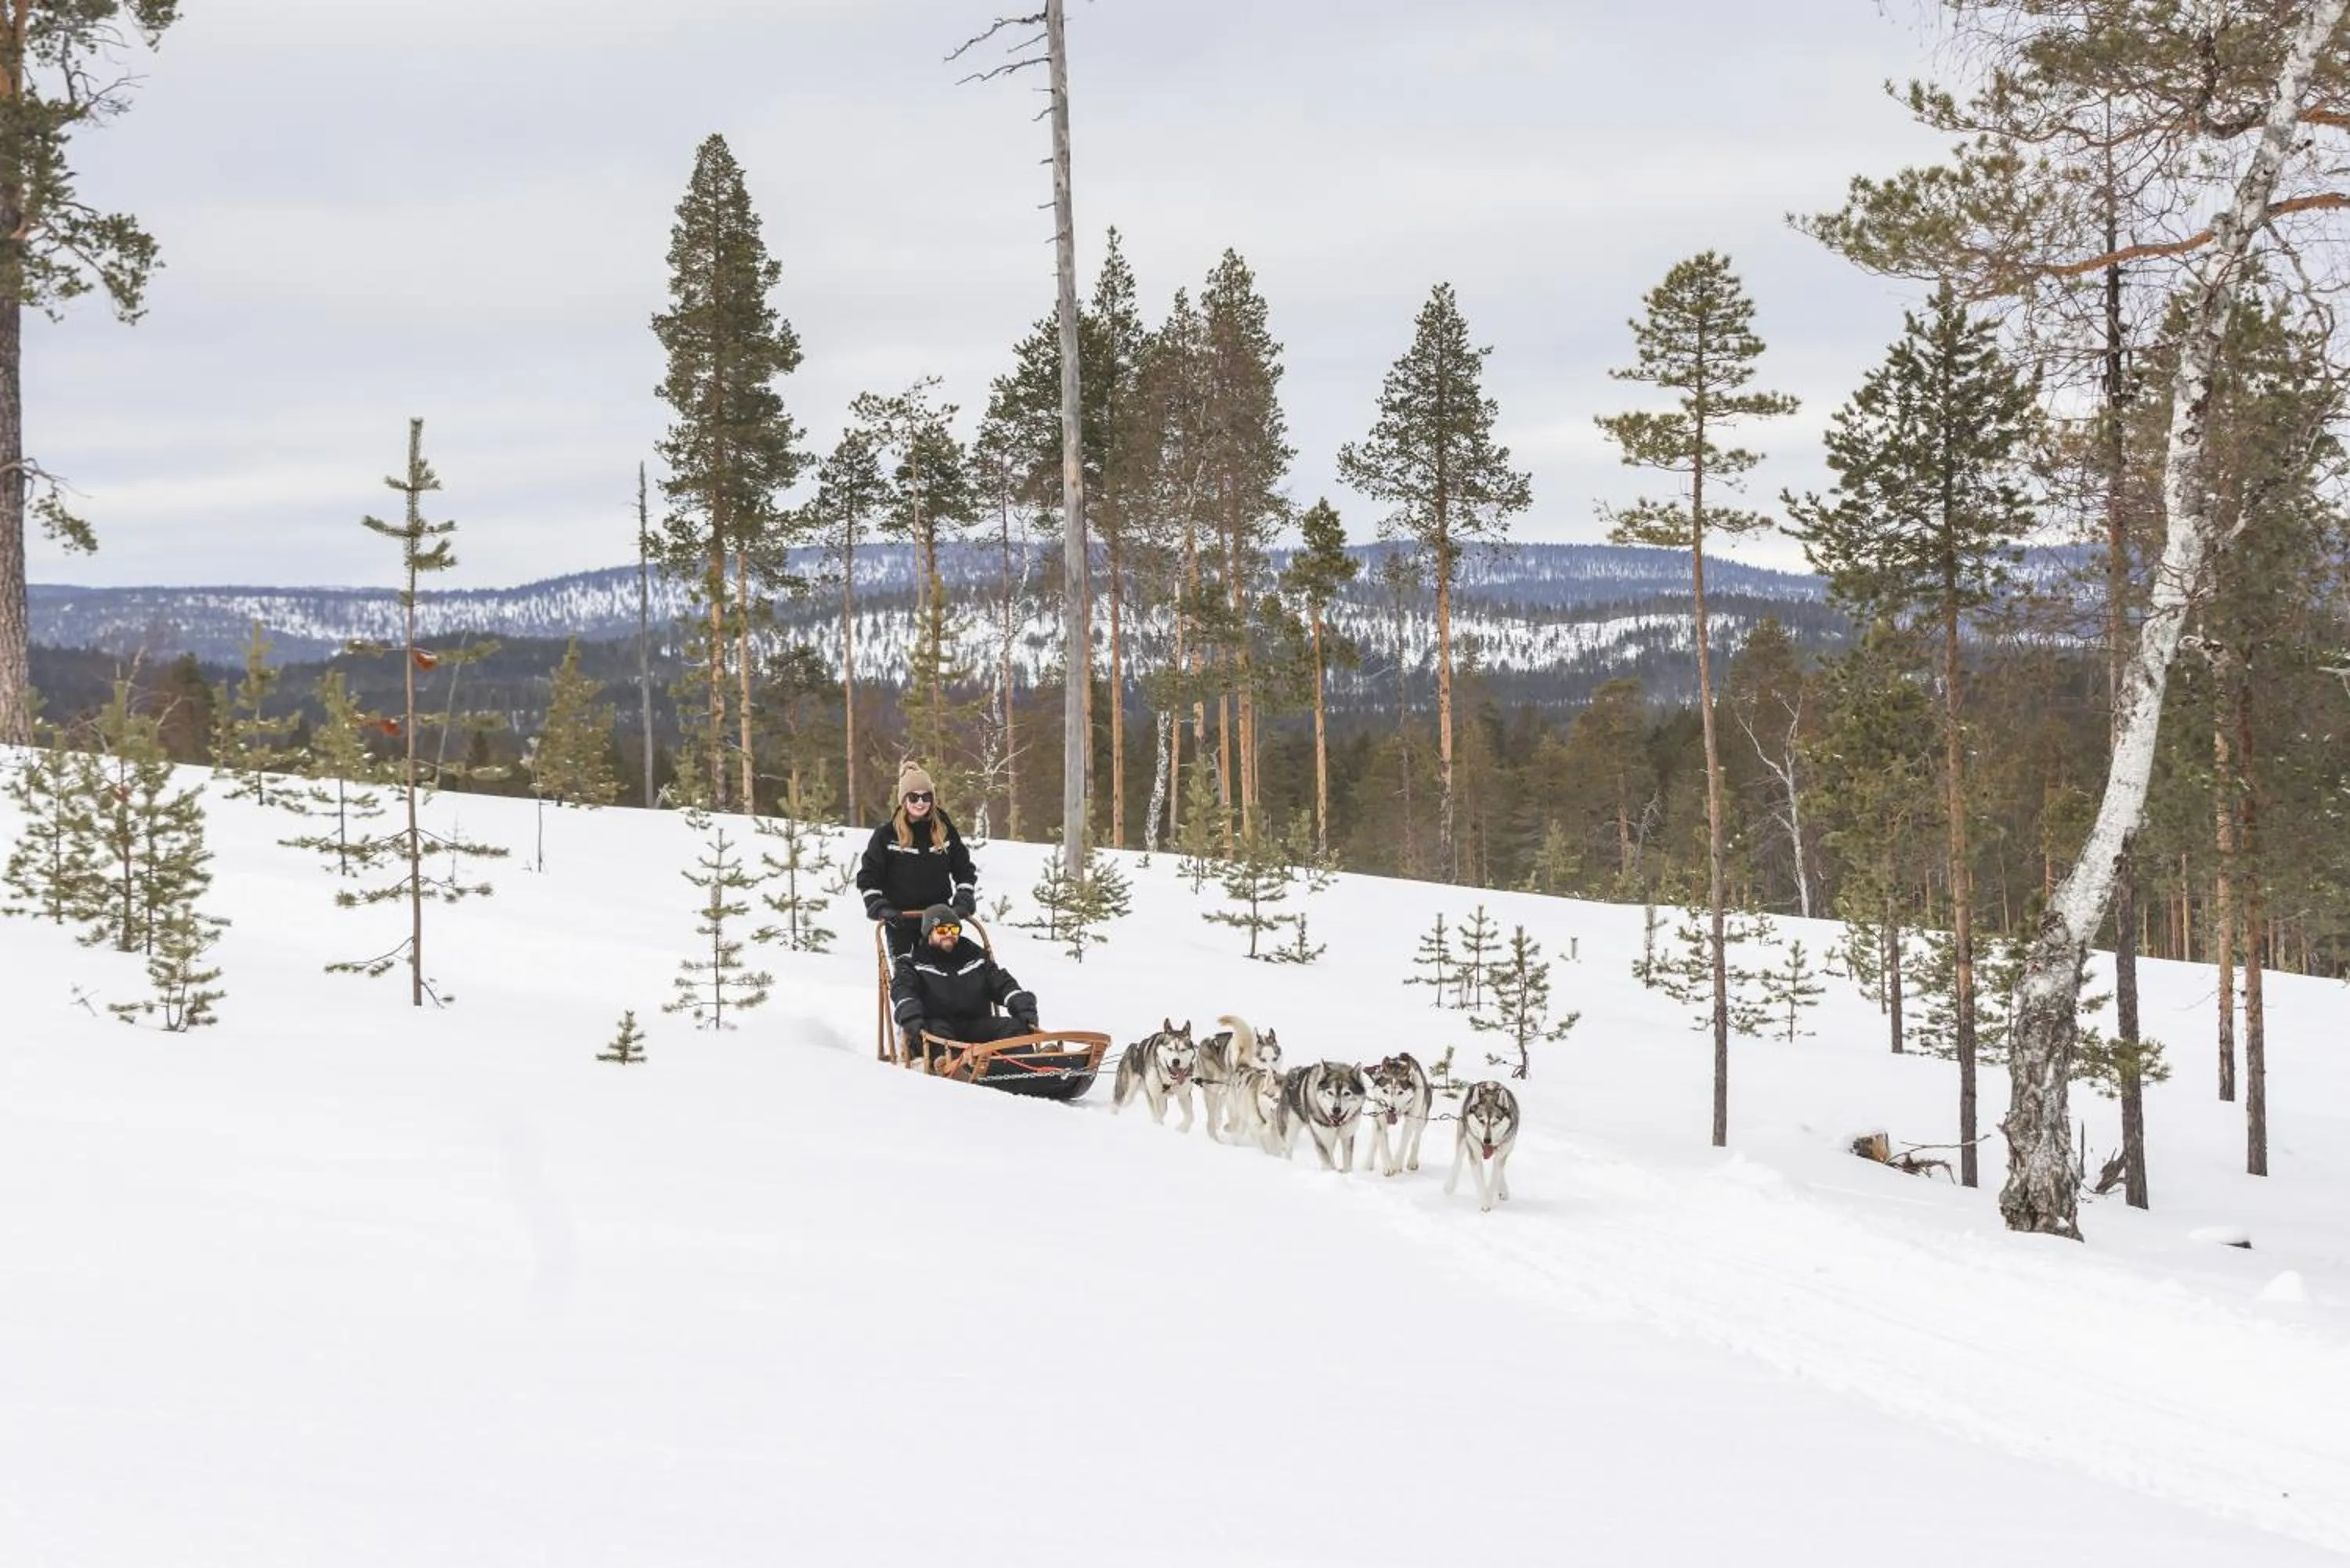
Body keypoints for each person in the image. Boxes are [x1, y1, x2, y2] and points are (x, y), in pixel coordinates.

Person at [856, 761, 977, 963]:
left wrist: (964, 898)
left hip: (939, 919)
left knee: (942, 972)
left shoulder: (944, 831)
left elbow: (964, 869)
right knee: (907, 974)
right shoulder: (886, 836)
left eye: (926, 797)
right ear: (903, 800)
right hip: (900, 919)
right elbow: (869, 876)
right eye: (913, 797)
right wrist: (879, 906)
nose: (920, 803)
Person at [891, 904, 1040, 1064]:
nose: (949, 934)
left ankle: (1032, 1064)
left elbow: (1002, 984)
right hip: (937, 1026)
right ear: (929, 933)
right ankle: (957, 1068)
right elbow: (904, 991)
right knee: (938, 1036)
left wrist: (1024, 1008)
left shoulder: (975, 956)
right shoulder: (913, 962)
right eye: (942, 930)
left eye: (954, 929)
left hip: (975, 1024)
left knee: (1012, 1027)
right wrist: (912, 1018)